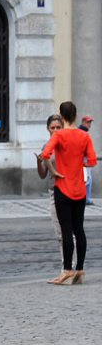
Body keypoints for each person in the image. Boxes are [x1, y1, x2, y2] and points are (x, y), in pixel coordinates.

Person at [38, 101, 97, 284]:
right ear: (76, 115)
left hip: (62, 187)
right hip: (79, 188)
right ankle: (80, 268)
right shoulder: (84, 135)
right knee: (79, 229)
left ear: (62, 117)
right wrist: (80, 163)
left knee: (66, 230)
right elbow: (92, 161)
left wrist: (53, 171)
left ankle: (67, 270)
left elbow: (45, 154)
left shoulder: (58, 135)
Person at [37, 114, 65, 252]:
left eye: (58, 127)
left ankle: (74, 262)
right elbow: (43, 175)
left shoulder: (68, 144)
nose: (55, 130)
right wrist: (39, 162)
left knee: (72, 230)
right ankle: (66, 262)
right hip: (54, 190)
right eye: (52, 128)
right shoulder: (46, 147)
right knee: (59, 231)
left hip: (69, 190)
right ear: (48, 129)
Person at [81, 115, 94, 205]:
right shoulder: (82, 132)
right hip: (83, 157)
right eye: (87, 122)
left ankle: (86, 198)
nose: (89, 124)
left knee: (87, 179)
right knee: (87, 179)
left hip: (84, 157)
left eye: (90, 122)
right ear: (83, 122)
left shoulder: (84, 131)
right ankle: (85, 198)